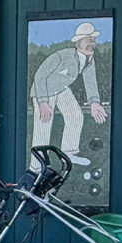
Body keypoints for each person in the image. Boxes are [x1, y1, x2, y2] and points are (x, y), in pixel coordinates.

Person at [30, 21, 108, 167]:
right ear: (78, 42)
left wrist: (94, 103)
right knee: (43, 125)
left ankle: (69, 153)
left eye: (93, 40)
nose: (92, 43)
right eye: (88, 40)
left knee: (75, 115)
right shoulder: (62, 56)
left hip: (61, 88)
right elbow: (40, 76)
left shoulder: (89, 60)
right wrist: (43, 102)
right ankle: (36, 166)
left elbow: (90, 82)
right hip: (44, 90)